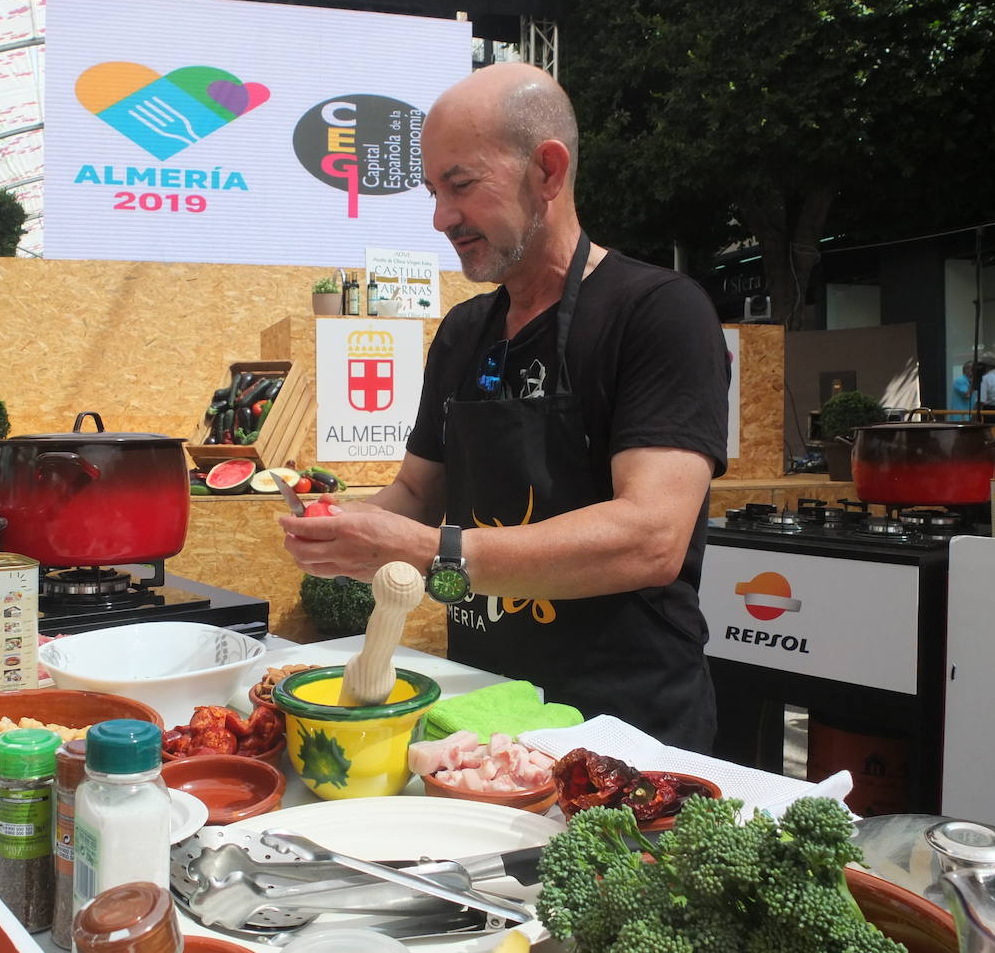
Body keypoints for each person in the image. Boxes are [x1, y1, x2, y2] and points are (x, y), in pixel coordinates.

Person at [278, 63, 730, 751]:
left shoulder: (659, 313)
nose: (441, 218)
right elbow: (418, 492)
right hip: (480, 720)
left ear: (548, 171)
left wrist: (433, 553)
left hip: (625, 735)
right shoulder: (464, 334)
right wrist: (344, 524)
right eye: (433, 192)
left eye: (460, 185)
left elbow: (652, 537)